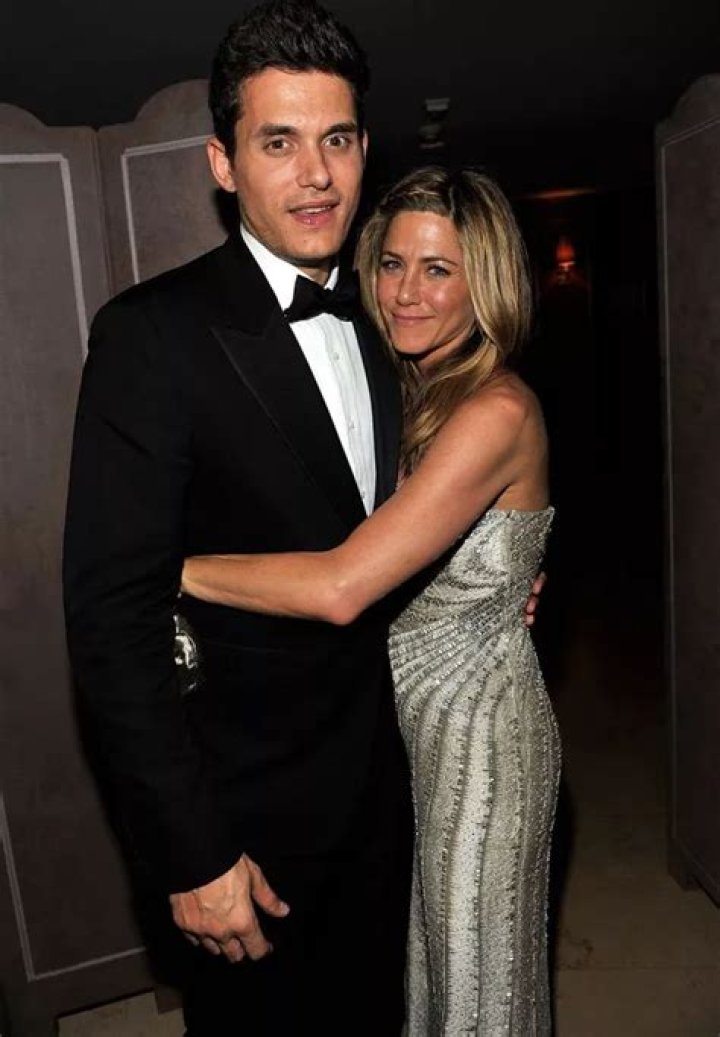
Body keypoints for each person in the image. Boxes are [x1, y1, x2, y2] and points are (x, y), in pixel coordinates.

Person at [63, 3, 414, 1034]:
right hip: (246, 821)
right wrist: (193, 851)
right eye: (278, 142)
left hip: (391, 789)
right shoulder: (150, 338)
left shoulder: (396, 315)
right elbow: (111, 621)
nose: (317, 175)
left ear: (365, 149)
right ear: (223, 163)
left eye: (337, 140)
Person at [182, 166, 561, 1035]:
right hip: (405, 737)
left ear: (487, 283)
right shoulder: (410, 388)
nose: (406, 292)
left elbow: (343, 583)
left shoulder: (496, 410)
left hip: (482, 744)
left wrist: (171, 566)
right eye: (392, 263)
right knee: (425, 976)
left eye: (439, 269)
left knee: (477, 993)